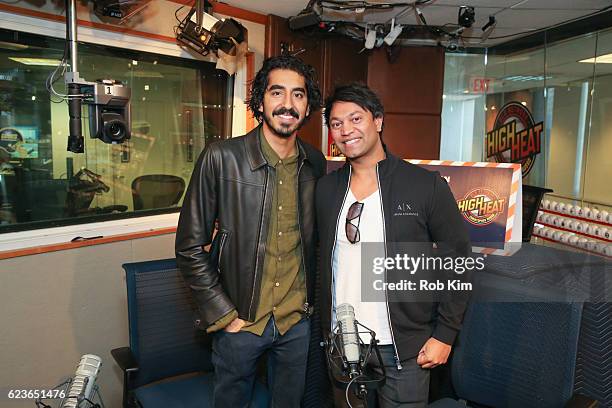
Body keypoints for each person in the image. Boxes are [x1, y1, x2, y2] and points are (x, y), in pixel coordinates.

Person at [175, 55, 326, 408]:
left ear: (307, 107)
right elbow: (189, 247)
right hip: (239, 322)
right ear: (260, 101)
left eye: (298, 95)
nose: (287, 104)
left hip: (296, 322)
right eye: (277, 93)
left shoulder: (315, 163)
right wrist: (224, 314)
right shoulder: (220, 157)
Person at [315, 83, 471, 407]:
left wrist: (445, 335)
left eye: (356, 119)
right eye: (336, 123)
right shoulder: (325, 190)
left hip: (404, 350)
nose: (346, 130)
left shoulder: (425, 186)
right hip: (342, 344)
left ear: (378, 121)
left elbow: (457, 261)